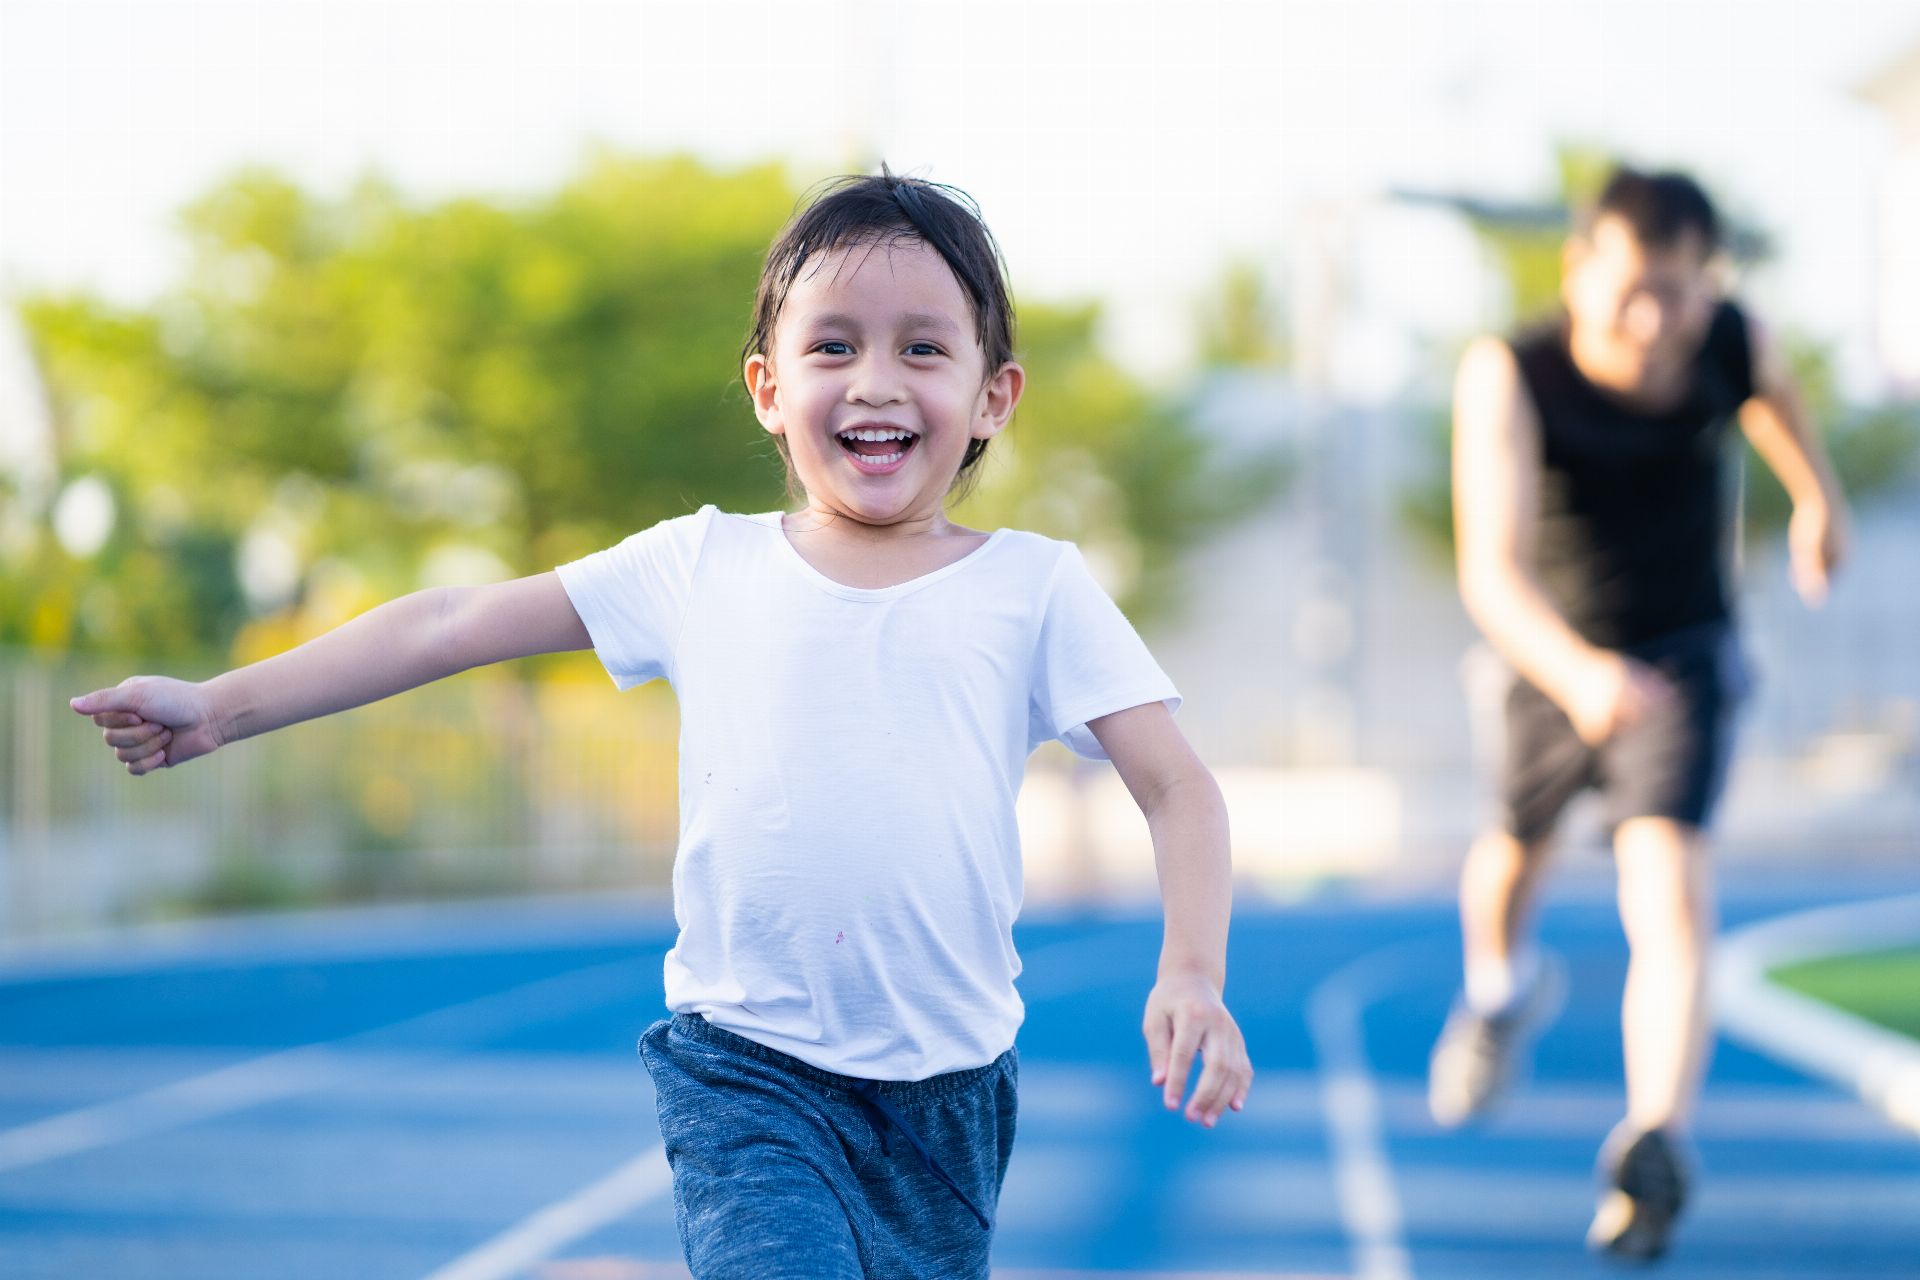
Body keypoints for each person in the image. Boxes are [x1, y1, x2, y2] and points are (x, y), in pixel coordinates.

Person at [69, 171, 1253, 1279]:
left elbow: (1178, 787)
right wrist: (219, 704)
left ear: (995, 395)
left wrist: (1192, 971)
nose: (877, 381)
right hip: (748, 1069)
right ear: (769, 389)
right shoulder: (701, 565)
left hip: (948, 1096)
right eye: (833, 345)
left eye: (923, 348)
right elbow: (448, 621)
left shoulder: (1035, 588)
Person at [1429, 166, 1850, 1263]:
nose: (1656, 322)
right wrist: (1579, 676)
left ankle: (1655, 1135)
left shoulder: (1734, 338)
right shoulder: (1510, 372)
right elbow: (1491, 572)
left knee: (1669, 885)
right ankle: (1497, 996)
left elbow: (1777, 400)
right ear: (1579, 271)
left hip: (1683, 653)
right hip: (1547, 648)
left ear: (1710, 283)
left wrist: (1816, 497)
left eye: (1679, 293)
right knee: (1511, 858)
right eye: (1631, 293)